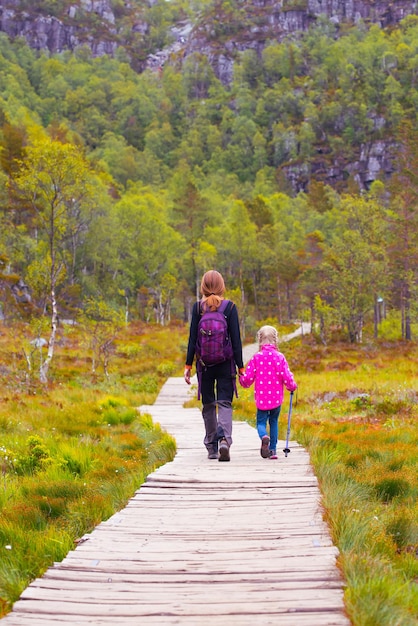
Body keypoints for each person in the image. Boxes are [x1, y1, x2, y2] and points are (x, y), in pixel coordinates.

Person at [184, 270, 244, 462]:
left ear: (203, 287)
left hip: (204, 365)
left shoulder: (197, 308)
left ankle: (211, 446)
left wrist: (188, 365)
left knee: (208, 404)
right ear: (221, 286)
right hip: (226, 364)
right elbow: (236, 340)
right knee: (224, 402)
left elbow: (193, 338)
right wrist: (241, 368)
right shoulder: (230, 308)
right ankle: (224, 440)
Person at [239, 325, 297, 459]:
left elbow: (248, 379)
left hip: (261, 398)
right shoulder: (280, 357)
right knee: (274, 421)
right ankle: (273, 451)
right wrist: (292, 386)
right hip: (276, 398)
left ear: (260, 339)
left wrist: (241, 379)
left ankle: (264, 436)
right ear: (275, 339)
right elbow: (286, 376)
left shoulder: (256, 358)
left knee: (260, 422)